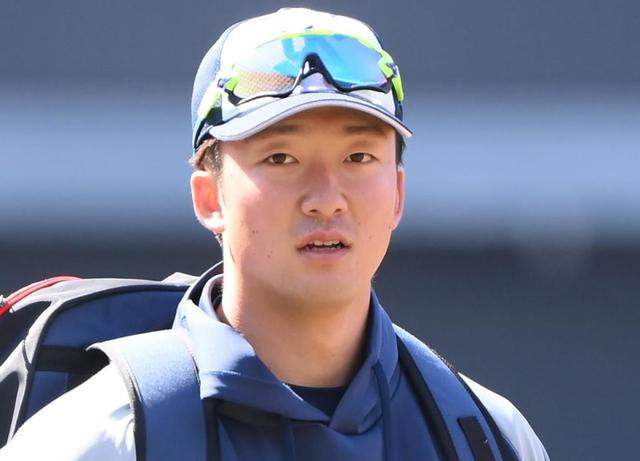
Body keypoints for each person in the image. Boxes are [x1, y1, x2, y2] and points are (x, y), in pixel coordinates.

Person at [0, 7, 549, 461]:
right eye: (281, 158)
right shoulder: (104, 437)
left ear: (398, 193)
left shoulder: (484, 435)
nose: (327, 197)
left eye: (359, 157)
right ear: (210, 198)